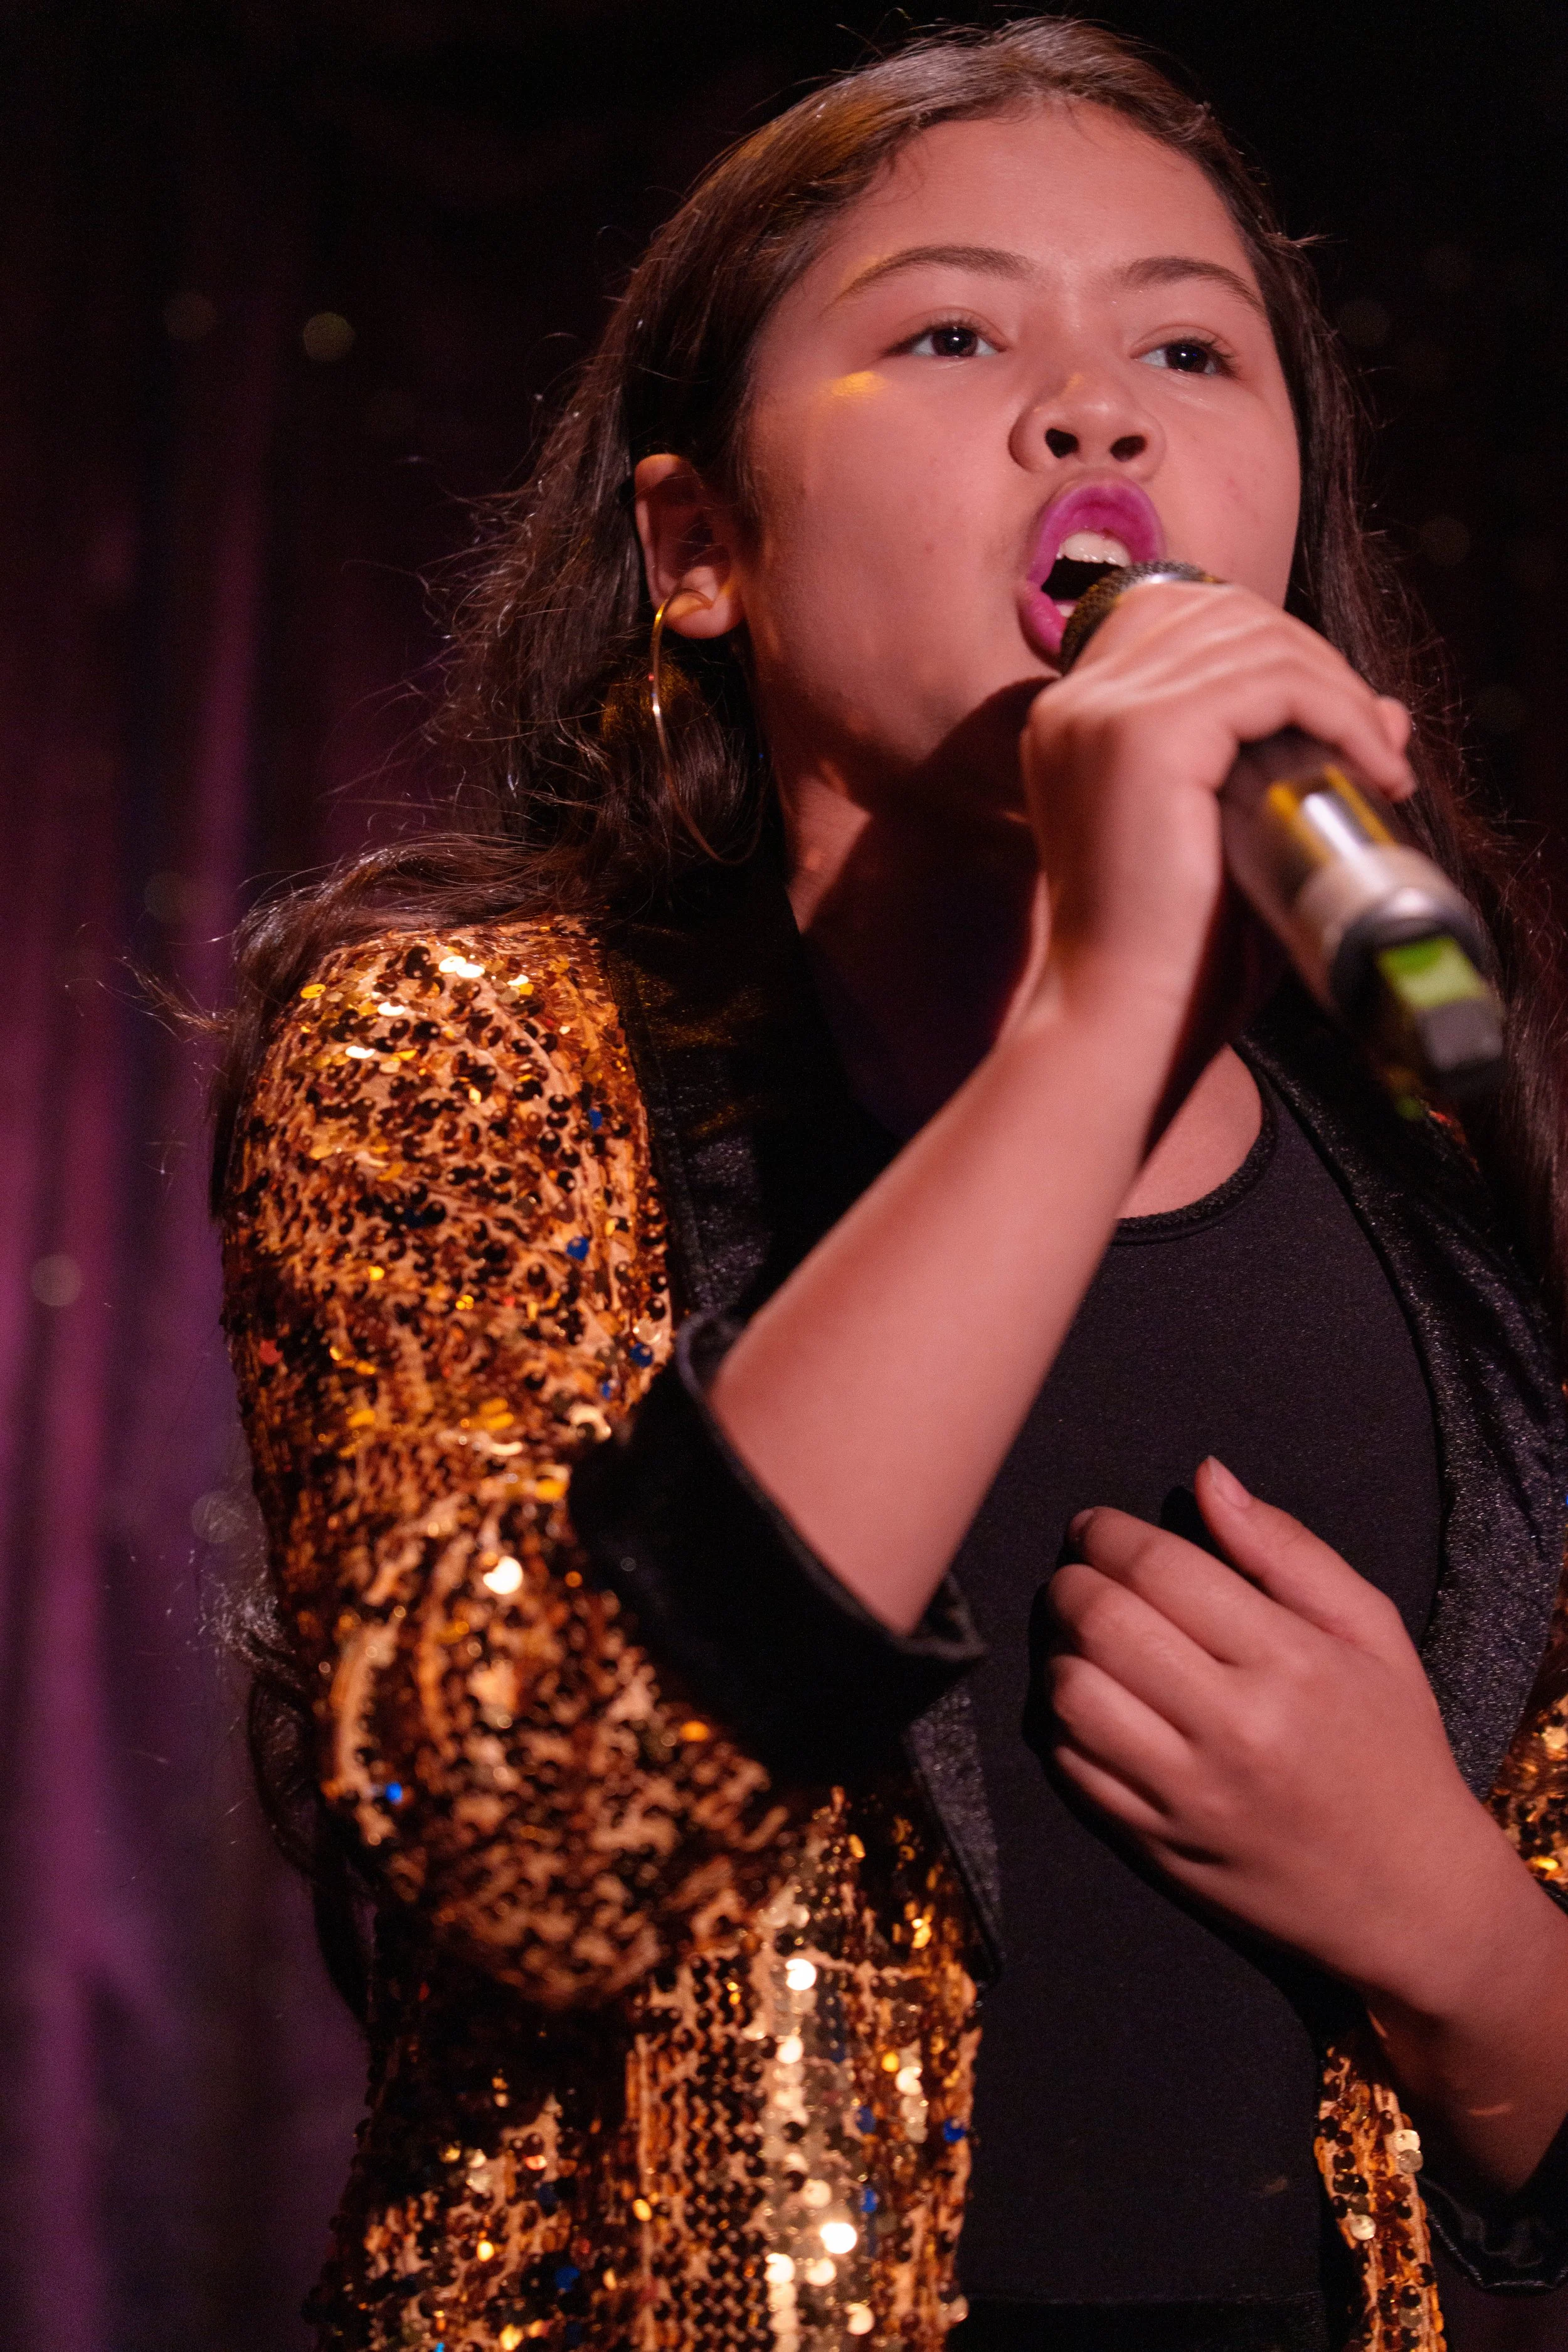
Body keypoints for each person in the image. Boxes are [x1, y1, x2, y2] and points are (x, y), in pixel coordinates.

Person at [215, 20, 1568, 2351]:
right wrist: (1099, 1007)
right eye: (953, 335)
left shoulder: (1428, 1167)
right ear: (697, 551)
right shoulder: (470, 1048)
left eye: (1186, 348)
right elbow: (530, 1838)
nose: (1095, 417)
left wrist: (1449, 1926)